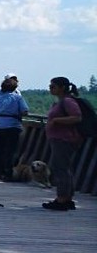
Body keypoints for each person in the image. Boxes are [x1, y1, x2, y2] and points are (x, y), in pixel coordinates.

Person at [43, 76, 83, 211]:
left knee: (60, 169)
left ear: (62, 88)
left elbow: (77, 117)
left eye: (53, 86)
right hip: (58, 139)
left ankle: (62, 200)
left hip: (64, 140)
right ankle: (67, 198)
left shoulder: (67, 101)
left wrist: (56, 121)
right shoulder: (61, 101)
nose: (50, 89)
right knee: (64, 168)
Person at [0, 75, 29, 180]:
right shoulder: (18, 98)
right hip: (12, 125)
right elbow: (25, 111)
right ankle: (7, 173)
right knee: (10, 151)